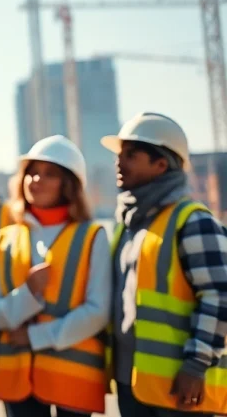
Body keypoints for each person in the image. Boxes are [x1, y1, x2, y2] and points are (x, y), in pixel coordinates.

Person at [103, 112, 227, 417]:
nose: (120, 162)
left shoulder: (194, 221)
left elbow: (220, 295)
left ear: (161, 164)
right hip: (131, 379)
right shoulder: (127, 226)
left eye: (132, 155)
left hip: (180, 385)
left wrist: (196, 365)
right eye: (120, 155)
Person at [0, 135, 111, 417]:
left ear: (69, 184)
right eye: (32, 172)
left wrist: (35, 336)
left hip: (72, 378)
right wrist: (26, 295)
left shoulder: (92, 237)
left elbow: (98, 311)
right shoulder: (5, 238)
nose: (36, 180)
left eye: (49, 174)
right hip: (18, 379)